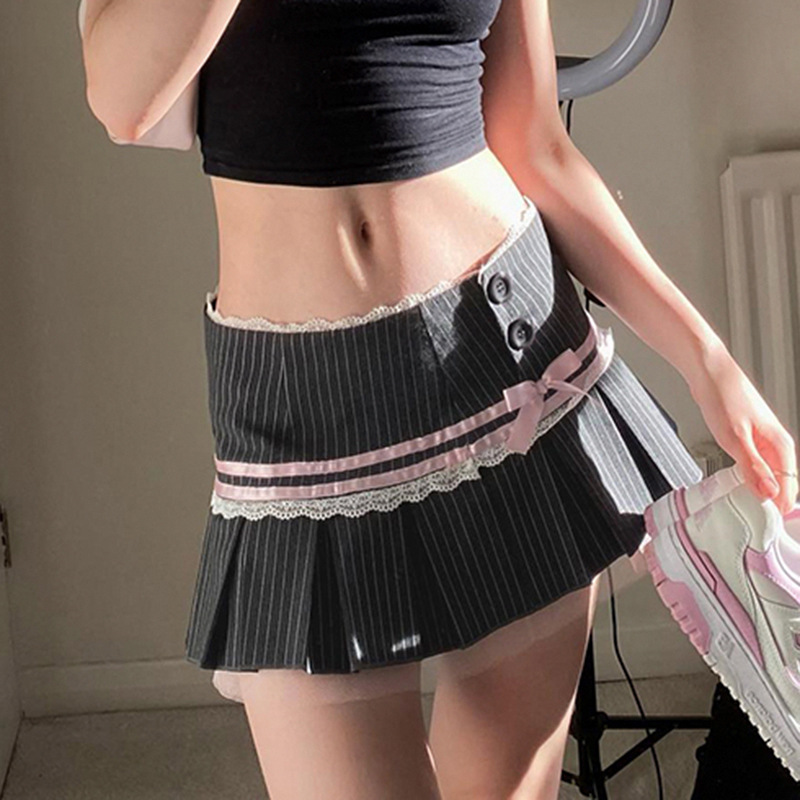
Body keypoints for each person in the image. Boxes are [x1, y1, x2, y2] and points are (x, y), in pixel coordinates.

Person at [80, 1, 799, 798]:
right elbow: (122, 98)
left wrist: (708, 361)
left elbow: (536, 146)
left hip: (510, 372)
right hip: (303, 419)